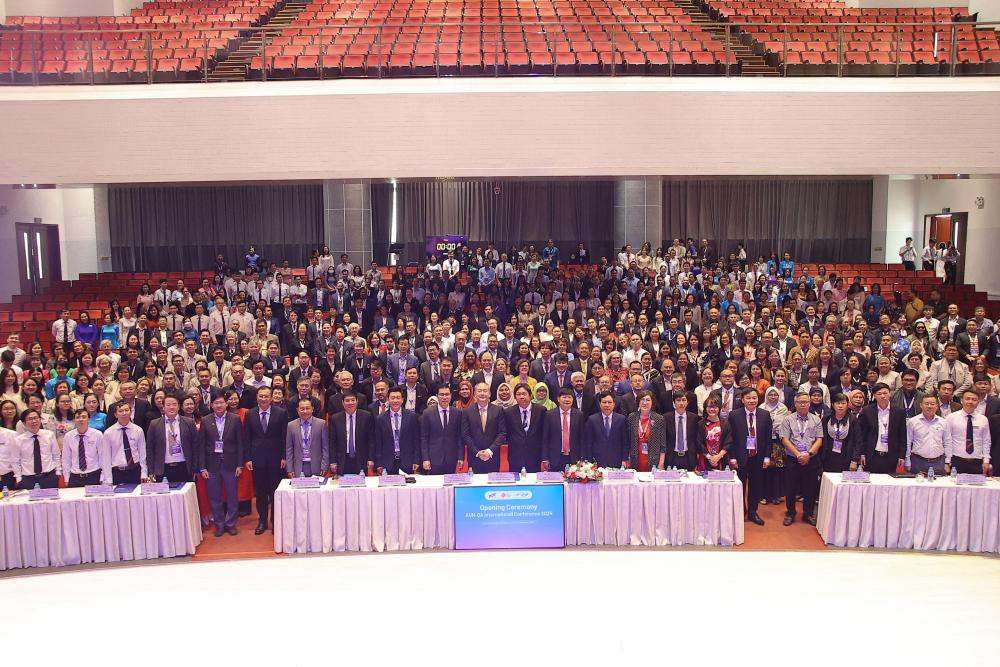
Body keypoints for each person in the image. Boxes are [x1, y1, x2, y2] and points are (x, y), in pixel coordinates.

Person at [244, 386, 289, 535]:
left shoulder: (281, 413)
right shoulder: (250, 414)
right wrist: (248, 458)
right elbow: (247, 438)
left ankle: (276, 521)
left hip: (276, 459)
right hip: (257, 460)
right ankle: (262, 520)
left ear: (271, 398)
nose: (263, 399)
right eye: (261, 396)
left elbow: (284, 437)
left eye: (266, 396)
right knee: (261, 492)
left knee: (275, 491)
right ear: (257, 397)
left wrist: (284, 456)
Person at [199, 394, 244, 537]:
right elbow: (201, 446)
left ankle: (230, 523)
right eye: (216, 403)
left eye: (221, 403)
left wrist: (240, 465)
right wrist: (203, 467)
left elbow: (240, 443)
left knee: (232, 495)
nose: (219, 406)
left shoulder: (235, 419)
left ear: (226, 404)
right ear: (211, 405)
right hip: (212, 465)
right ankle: (219, 524)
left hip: (231, 464)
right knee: (214, 496)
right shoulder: (205, 421)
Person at [778, 392, 823, 526]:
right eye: (800, 402)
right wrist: (798, 454)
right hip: (793, 459)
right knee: (790, 488)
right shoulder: (788, 419)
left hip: (811, 459)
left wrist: (808, 454)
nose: (803, 404)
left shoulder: (816, 419)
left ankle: (807, 514)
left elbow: (819, 440)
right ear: (795, 403)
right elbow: (784, 439)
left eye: (805, 402)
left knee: (810, 488)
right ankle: (790, 512)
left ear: (809, 403)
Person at [728, 389, 772, 525]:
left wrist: (767, 457)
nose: (752, 401)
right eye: (748, 398)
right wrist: (733, 457)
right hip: (740, 457)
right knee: (739, 485)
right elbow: (731, 438)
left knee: (755, 486)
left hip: (757, 457)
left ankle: (753, 512)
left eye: (754, 398)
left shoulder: (765, 415)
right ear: (742, 400)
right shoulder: (734, 415)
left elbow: (768, 438)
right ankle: (741, 511)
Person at [146, 395, 198, 483]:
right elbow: (150, 449)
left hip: (184, 467)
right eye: (168, 405)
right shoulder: (154, 424)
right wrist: (151, 470)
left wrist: (195, 468)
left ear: (179, 407)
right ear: (163, 407)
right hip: (162, 468)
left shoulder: (189, 422)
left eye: (174, 404)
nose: (171, 407)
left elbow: (195, 446)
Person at [857, 383, 906, 474]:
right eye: (879, 394)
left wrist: (902, 455)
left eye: (885, 393)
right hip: (872, 455)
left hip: (891, 456)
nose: (883, 396)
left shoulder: (899, 412)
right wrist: (862, 453)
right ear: (874, 396)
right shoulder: (867, 411)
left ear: (890, 394)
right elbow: (862, 435)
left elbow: (903, 436)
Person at [461, 382, 506, 473]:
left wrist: (489, 451)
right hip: (474, 457)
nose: (482, 393)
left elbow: (502, 433)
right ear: (474, 394)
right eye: (479, 391)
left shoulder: (498, 410)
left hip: (493, 456)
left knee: (493, 486)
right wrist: (477, 452)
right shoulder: (467, 412)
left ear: (489, 394)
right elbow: (465, 434)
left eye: (485, 391)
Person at [419, 384, 465, 475]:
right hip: (433, 459)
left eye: (447, 394)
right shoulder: (427, 413)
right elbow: (423, 438)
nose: (444, 397)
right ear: (437, 396)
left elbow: (460, 437)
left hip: (451, 458)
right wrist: (425, 458)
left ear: (451, 396)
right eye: (442, 394)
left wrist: (460, 457)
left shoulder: (457, 413)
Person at [944, 389, 991, 475]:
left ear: (978, 402)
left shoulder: (983, 419)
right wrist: (947, 461)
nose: (970, 401)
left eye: (974, 399)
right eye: (967, 398)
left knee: (976, 487)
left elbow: (986, 441)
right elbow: (947, 440)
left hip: (977, 461)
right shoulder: (951, 418)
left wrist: (986, 460)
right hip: (956, 460)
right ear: (962, 400)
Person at [375, 386, 420, 475]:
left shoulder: (411, 417)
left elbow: (416, 440)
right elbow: (378, 443)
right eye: (392, 398)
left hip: (407, 461)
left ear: (402, 400)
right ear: (388, 399)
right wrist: (379, 463)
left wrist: (416, 460)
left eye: (398, 398)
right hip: (388, 462)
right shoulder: (380, 418)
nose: (395, 401)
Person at [330, 390, 375, 476]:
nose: (350, 403)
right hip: (342, 460)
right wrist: (333, 461)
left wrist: (371, 458)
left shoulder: (367, 416)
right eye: (347, 400)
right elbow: (332, 442)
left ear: (357, 401)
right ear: (342, 403)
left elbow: (371, 440)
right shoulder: (335, 418)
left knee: (361, 487)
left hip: (361, 459)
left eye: (353, 400)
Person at [503, 382, 545, 473]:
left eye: (524, 394)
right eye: (518, 394)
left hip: (535, 455)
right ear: (515, 397)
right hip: (515, 456)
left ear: (530, 395)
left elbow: (544, 433)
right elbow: (506, 433)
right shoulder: (508, 412)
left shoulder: (541, 410)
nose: (521, 397)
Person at [13, 410, 61, 489]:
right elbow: (15, 461)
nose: (34, 421)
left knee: (52, 500)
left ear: (40, 420)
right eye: (30, 419)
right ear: (24, 423)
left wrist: (58, 471)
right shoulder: (18, 440)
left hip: (49, 477)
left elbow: (56, 454)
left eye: (36, 418)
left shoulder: (49, 435)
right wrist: (19, 478)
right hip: (28, 479)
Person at [101, 403, 147, 484]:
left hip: (135, 471)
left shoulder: (138, 430)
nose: (124, 413)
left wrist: (144, 473)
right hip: (117, 472)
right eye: (121, 411)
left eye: (126, 410)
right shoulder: (108, 433)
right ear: (115, 414)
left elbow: (142, 454)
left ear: (131, 412)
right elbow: (106, 458)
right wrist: (108, 479)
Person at [541, 388, 584, 472]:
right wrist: (545, 458)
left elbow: (582, 438)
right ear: (558, 399)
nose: (567, 400)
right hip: (555, 457)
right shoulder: (549, 415)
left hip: (574, 458)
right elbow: (545, 438)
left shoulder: (579, 415)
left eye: (569, 397)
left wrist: (582, 458)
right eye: (564, 397)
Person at [584, 390, 629, 468]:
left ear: (614, 404)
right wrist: (589, 461)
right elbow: (588, 443)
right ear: (599, 404)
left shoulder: (621, 419)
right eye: (604, 402)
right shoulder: (592, 420)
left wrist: (624, 459)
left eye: (609, 402)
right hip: (597, 462)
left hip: (617, 461)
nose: (607, 405)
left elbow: (625, 441)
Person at [285, 397, 329, 478]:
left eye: (307, 408)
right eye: (302, 409)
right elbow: (289, 449)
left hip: (317, 466)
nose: (305, 411)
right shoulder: (291, 425)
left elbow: (325, 447)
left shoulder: (321, 424)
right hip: (298, 466)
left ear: (312, 409)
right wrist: (290, 469)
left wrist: (325, 466)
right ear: (297, 410)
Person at [905, 395, 947, 475]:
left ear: (937, 406)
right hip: (918, 461)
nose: (929, 406)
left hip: (938, 462)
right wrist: (907, 461)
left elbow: (947, 442)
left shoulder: (943, 422)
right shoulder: (912, 422)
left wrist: (947, 462)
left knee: (938, 486)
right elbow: (908, 442)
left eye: (932, 404)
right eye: (927, 403)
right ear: (921, 405)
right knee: (917, 486)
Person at [820, 393, 860, 474]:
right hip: (828, 457)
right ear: (832, 404)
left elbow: (858, 441)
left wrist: (854, 460)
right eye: (838, 403)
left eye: (843, 403)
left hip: (846, 457)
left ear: (848, 404)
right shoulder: (826, 419)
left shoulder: (853, 420)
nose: (840, 406)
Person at [627, 390, 666, 472]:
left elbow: (663, 444)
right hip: (635, 459)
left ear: (652, 402)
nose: (645, 402)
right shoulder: (631, 417)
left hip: (653, 460)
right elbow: (627, 441)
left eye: (648, 400)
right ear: (638, 401)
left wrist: (661, 464)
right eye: (642, 399)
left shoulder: (659, 419)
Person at [664, 393, 701, 471]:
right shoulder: (666, 418)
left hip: (689, 457)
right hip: (671, 457)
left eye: (684, 400)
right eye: (678, 400)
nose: (681, 403)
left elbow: (697, 439)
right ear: (674, 403)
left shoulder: (694, 418)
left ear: (687, 402)